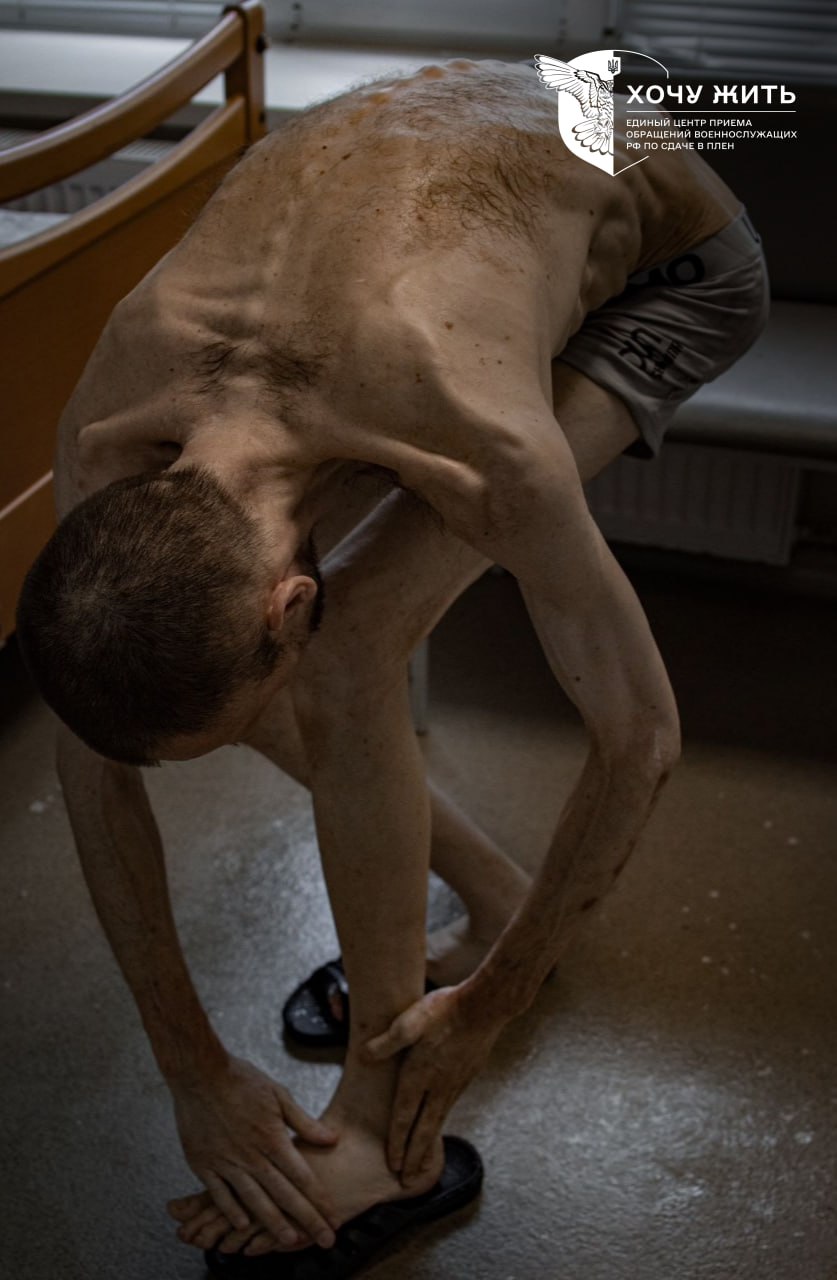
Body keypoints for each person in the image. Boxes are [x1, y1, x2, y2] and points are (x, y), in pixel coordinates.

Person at [16, 58, 768, 1267]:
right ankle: (492, 890)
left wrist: (490, 1004)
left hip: (670, 261)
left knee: (350, 650)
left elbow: (641, 738)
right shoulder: (111, 429)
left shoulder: (479, 438)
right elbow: (93, 758)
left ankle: (381, 1137)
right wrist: (190, 1065)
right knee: (286, 672)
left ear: (288, 598)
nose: (266, 750)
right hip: (459, 185)